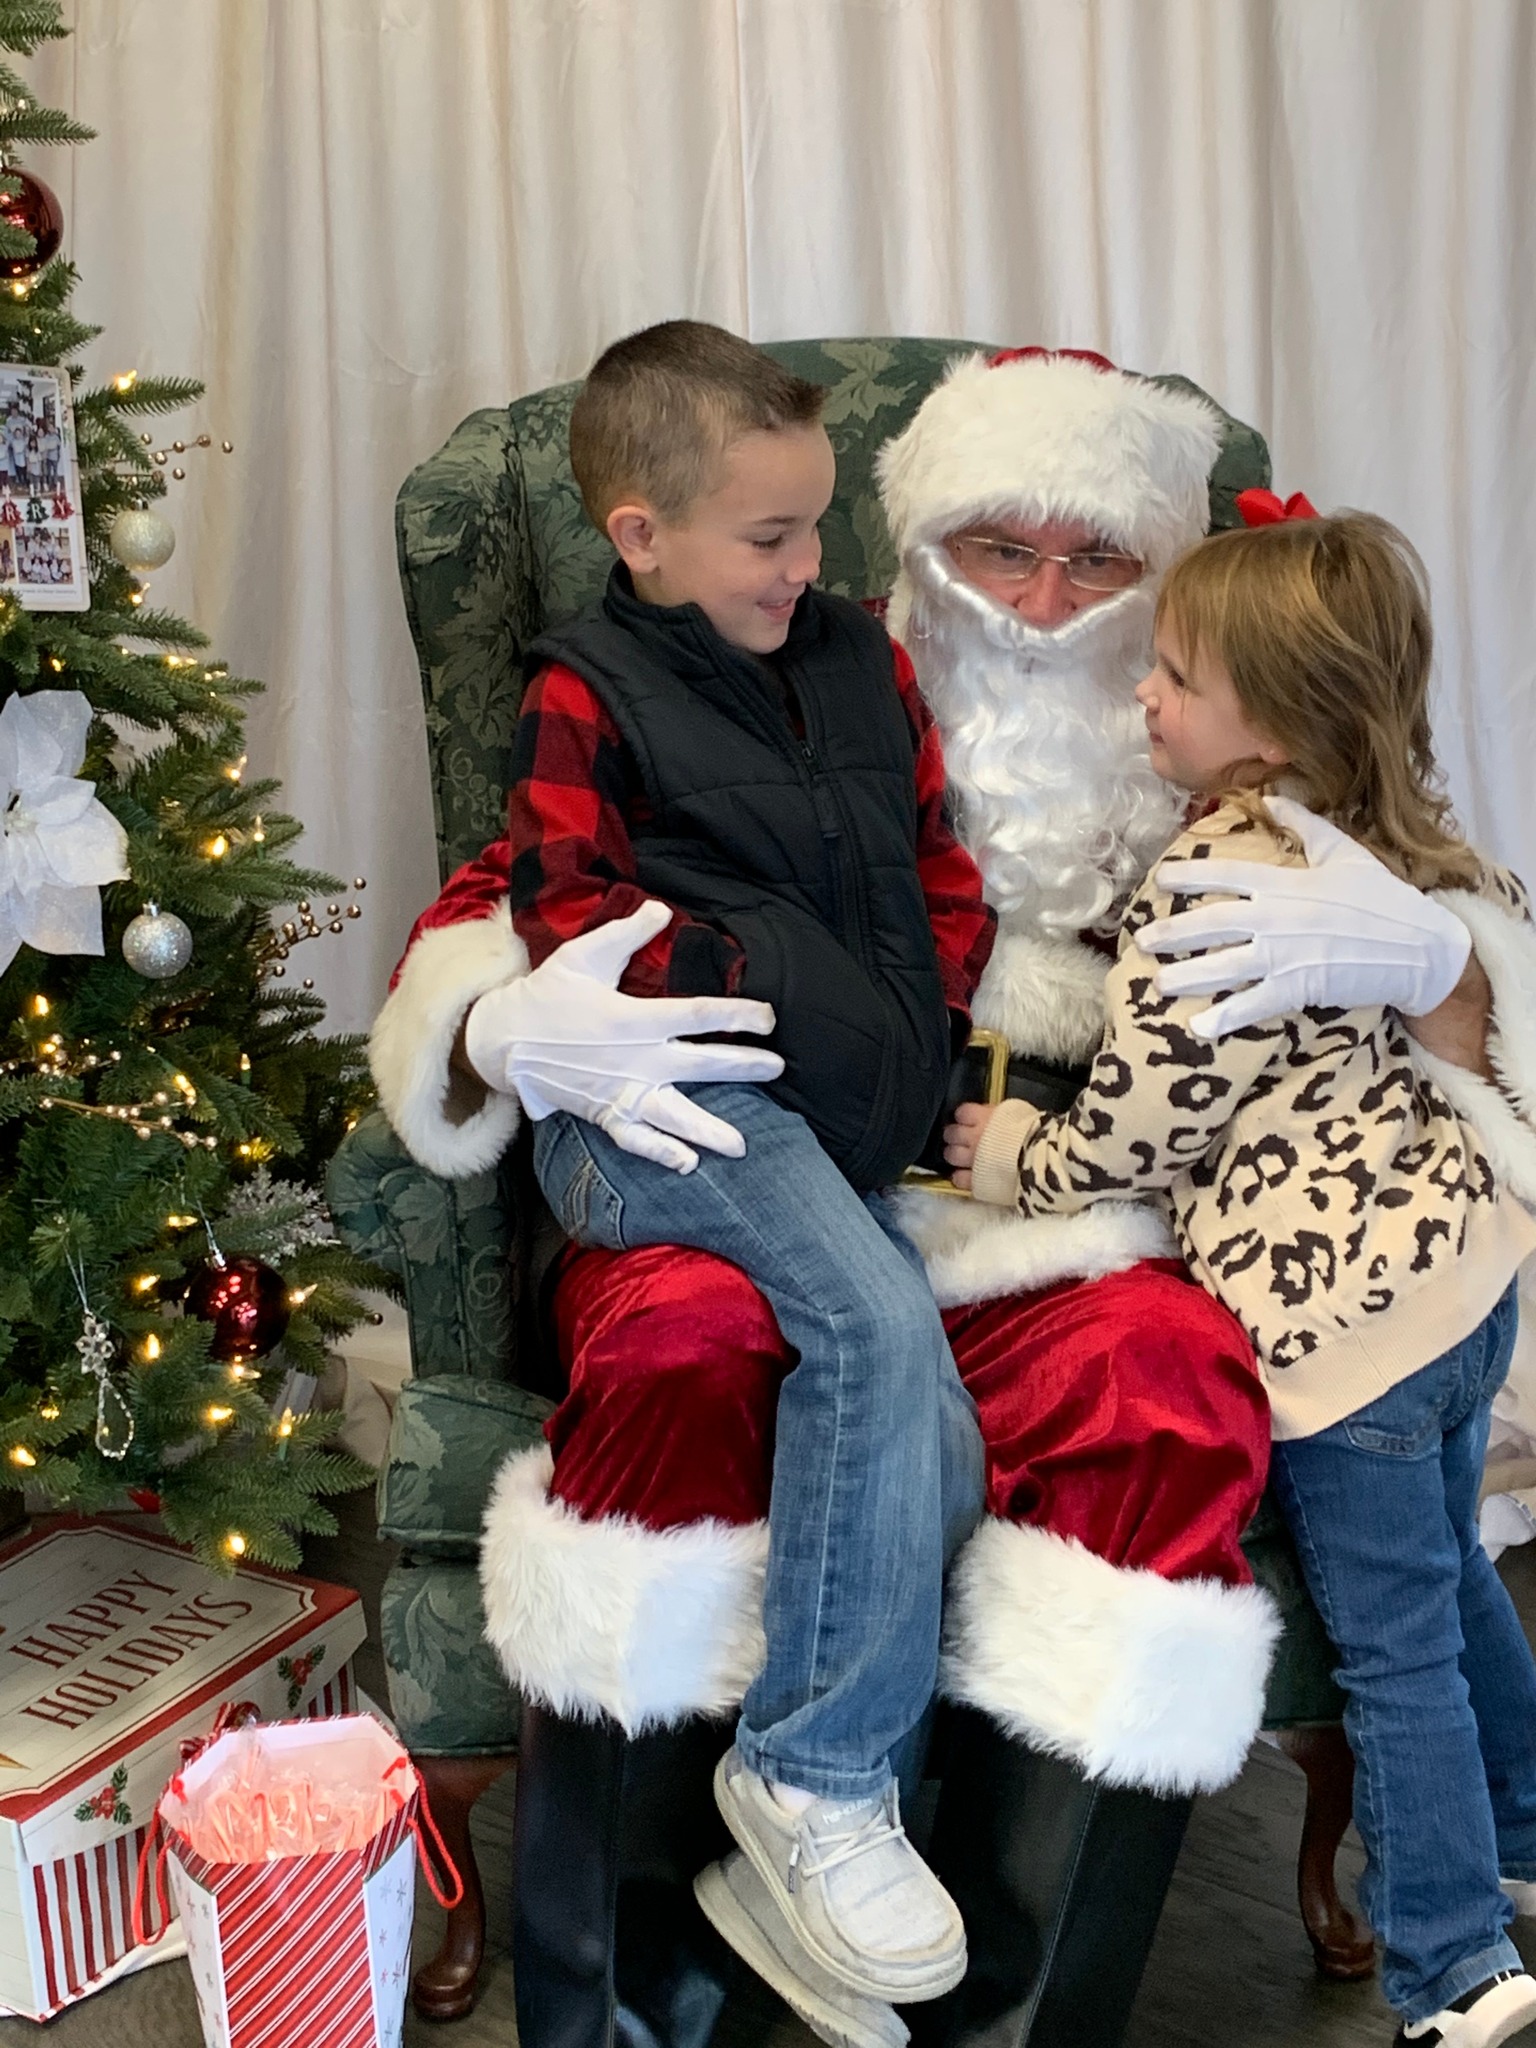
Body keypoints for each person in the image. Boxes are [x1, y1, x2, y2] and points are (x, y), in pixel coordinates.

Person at [369, 347, 1500, 2048]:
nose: (1044, 606)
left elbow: (1452, 957)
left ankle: (1013, 2005)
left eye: (1098, 560)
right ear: (922, 553)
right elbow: (530, 883)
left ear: (1168, 576)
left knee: (1167, 1385)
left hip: (1071, 1212)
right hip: (748, 1155)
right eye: (1000, 551)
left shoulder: (1244, 744)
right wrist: (491, 1026)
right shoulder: (789, 667)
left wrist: (1442, 968)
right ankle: (657, 1992)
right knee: (688, 1348)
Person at [945, 505, 1536, 2048]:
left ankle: (1455, 1964)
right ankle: (1531, 1825)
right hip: (1469, 1281)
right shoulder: (1406, 834)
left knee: (1392, 1643)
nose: (1144, 695)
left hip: (1344, 1338)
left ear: (1268, 719)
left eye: (1175, 676)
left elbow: (1143, 1126)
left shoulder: (1212, 881)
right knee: (1449, 1570)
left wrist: (1016, 1153)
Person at [495, 318, 993, 2016]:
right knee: (871, 1327)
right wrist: (771, 987)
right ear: (642, 535)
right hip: (663, 1111)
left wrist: (914, 1034)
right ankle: (811, 1782)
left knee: (939, 1432)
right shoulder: (583, 687)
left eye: (818, 526)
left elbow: (934, 874)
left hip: (832, 1116)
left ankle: (795, 1894)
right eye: (770, 536)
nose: (807, 566)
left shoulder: (862, 661)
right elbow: (572, 919)